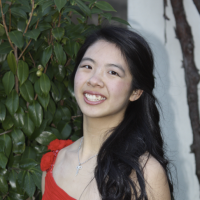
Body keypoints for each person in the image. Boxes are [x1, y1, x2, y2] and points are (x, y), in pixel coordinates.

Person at [41, 26, 174, 200]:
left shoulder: (145, 174)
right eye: (87, 66)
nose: (94, 80)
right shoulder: (54, 162)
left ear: (136, 92)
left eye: (113, 72)